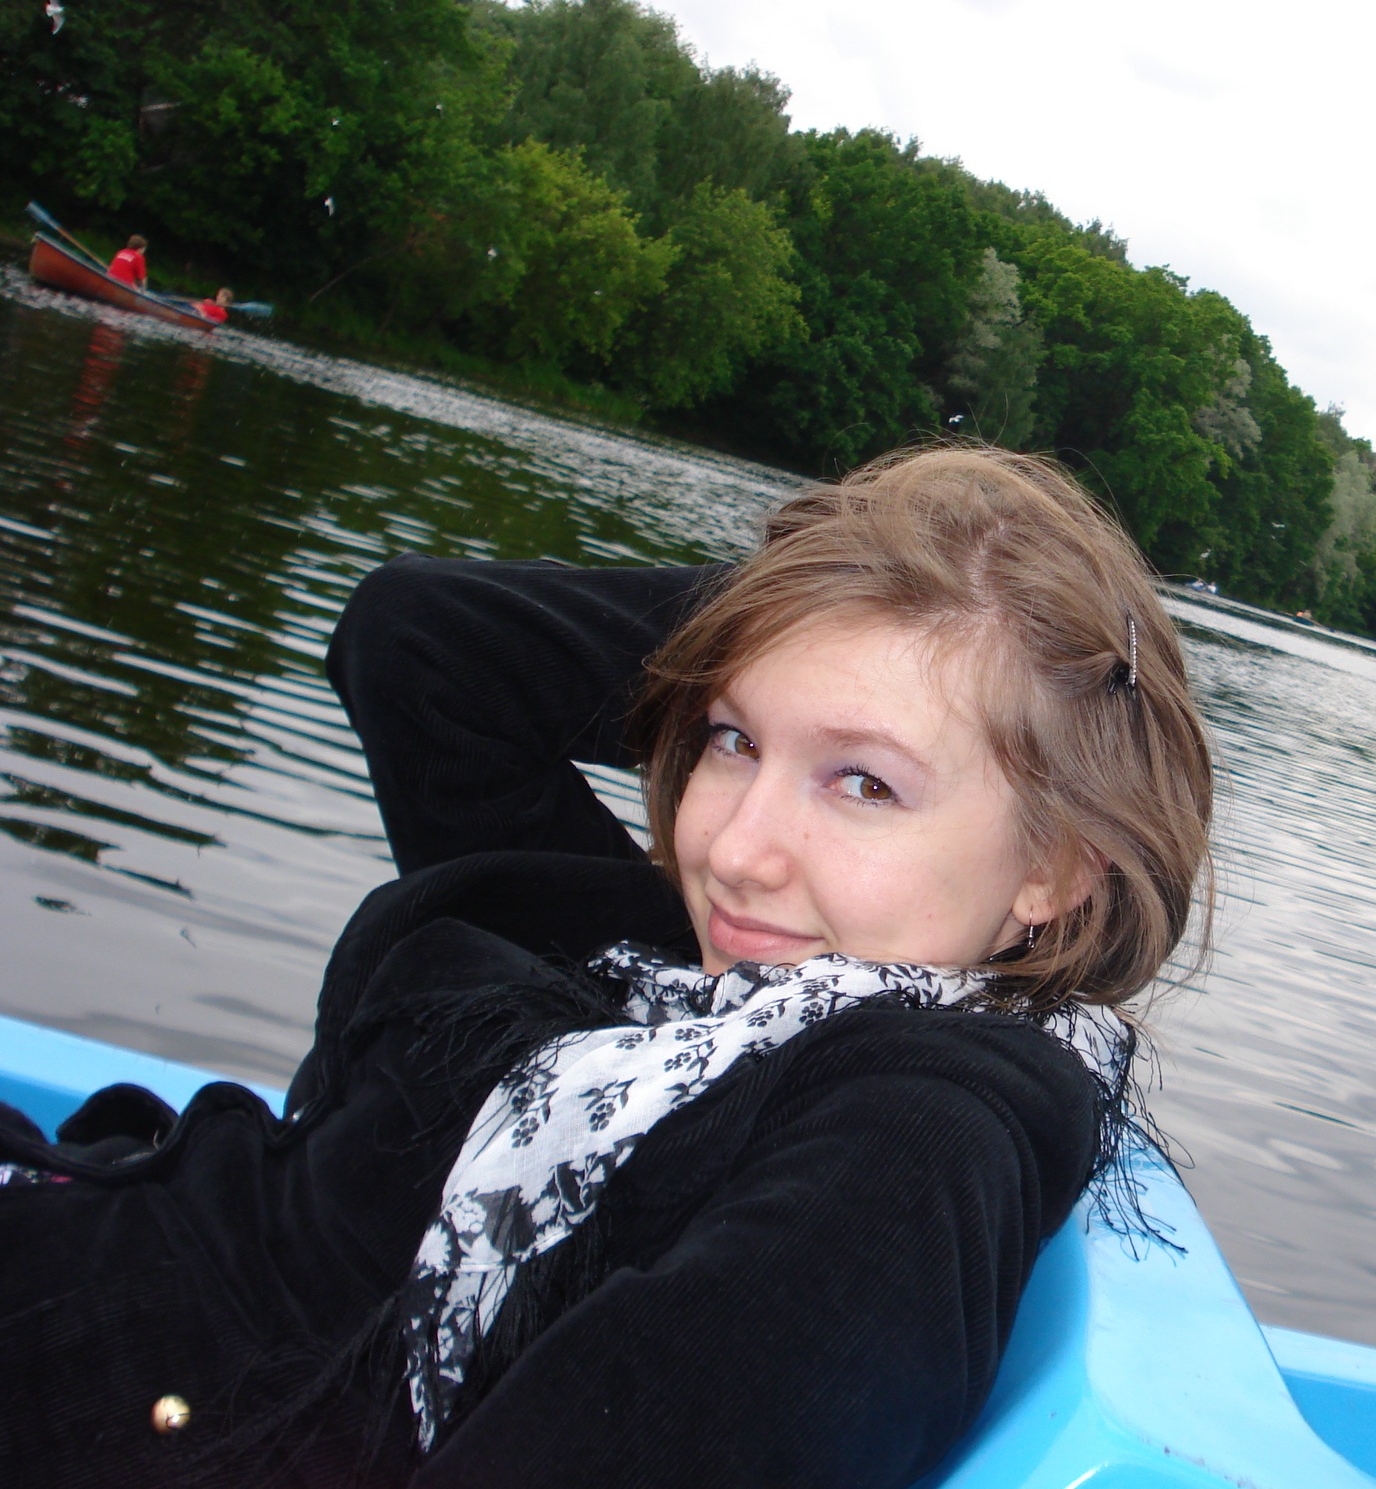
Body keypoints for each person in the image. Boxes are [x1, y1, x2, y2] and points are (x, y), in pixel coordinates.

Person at [0, 446, 1213, 1487]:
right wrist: (845, 590)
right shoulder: (686, 965)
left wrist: (946, 638)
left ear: (1055, 869)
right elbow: (420, 642)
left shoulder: (916, 1134)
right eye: (731, 738)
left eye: (863, 782)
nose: (729, 851)